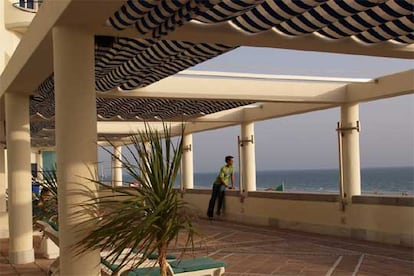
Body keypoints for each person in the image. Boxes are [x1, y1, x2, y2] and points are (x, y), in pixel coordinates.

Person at [207, 155, 235, 220]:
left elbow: (232, 176)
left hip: (223, 184)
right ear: (228, 161)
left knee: (221, 195)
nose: (232, 161)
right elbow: (221, 178)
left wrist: (233, 185)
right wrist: (227, 186)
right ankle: (210, 213)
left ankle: (218, 210)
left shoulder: (232, 168)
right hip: (217, 184)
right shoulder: (223, 168)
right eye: (231, 160)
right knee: (213, 198)